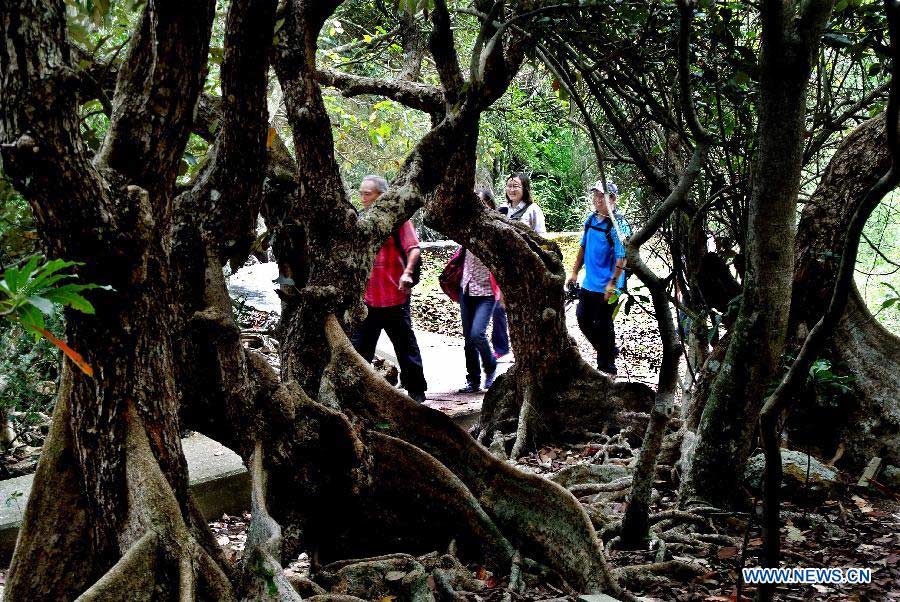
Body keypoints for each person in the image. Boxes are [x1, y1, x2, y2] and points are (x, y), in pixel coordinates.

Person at [351, 175, 428, 403]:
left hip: (396, 297)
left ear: (381, 196)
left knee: (406, 348)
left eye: (368, 194)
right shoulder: (361, 222)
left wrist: (407, 273)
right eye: (361, 193)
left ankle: (417, 394)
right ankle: (358, 395)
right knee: (360, 349)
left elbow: (414, 249)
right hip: (369, 300)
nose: (363, 198)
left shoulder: (398, 221)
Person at [567, 180, 630, 375]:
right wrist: (575, 271)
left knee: (604, 324)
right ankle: (609, 351)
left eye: (602, 196)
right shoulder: (591, 220)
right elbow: (583, 247)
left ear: (613, 199)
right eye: (595, 195)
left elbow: (623, 256)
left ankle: (607, 367)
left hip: (610, 284)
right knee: (583, 318)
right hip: (590, 282)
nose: (597, 200)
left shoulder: (619, 224)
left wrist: (612, 282)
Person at [491, 173, 546, 360]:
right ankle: (518, 351)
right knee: (507, 309)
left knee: (527, 311)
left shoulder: (533, 210)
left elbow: (541, 240)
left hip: (527, 269)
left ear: (525, 189)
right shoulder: (502, 210)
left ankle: (533, 351)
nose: (512, 190)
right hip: (506, 269)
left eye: (516, 186)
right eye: (509, 186)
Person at [457, 189, 502, 393]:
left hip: (486, 292)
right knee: (468, 339)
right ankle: (473, 380)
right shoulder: (466, 227)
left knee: (477, 334)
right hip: (466, 288)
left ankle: (491, 366)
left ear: (490, 205)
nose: (479, 207)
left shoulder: (495, 231)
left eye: (482, 203)